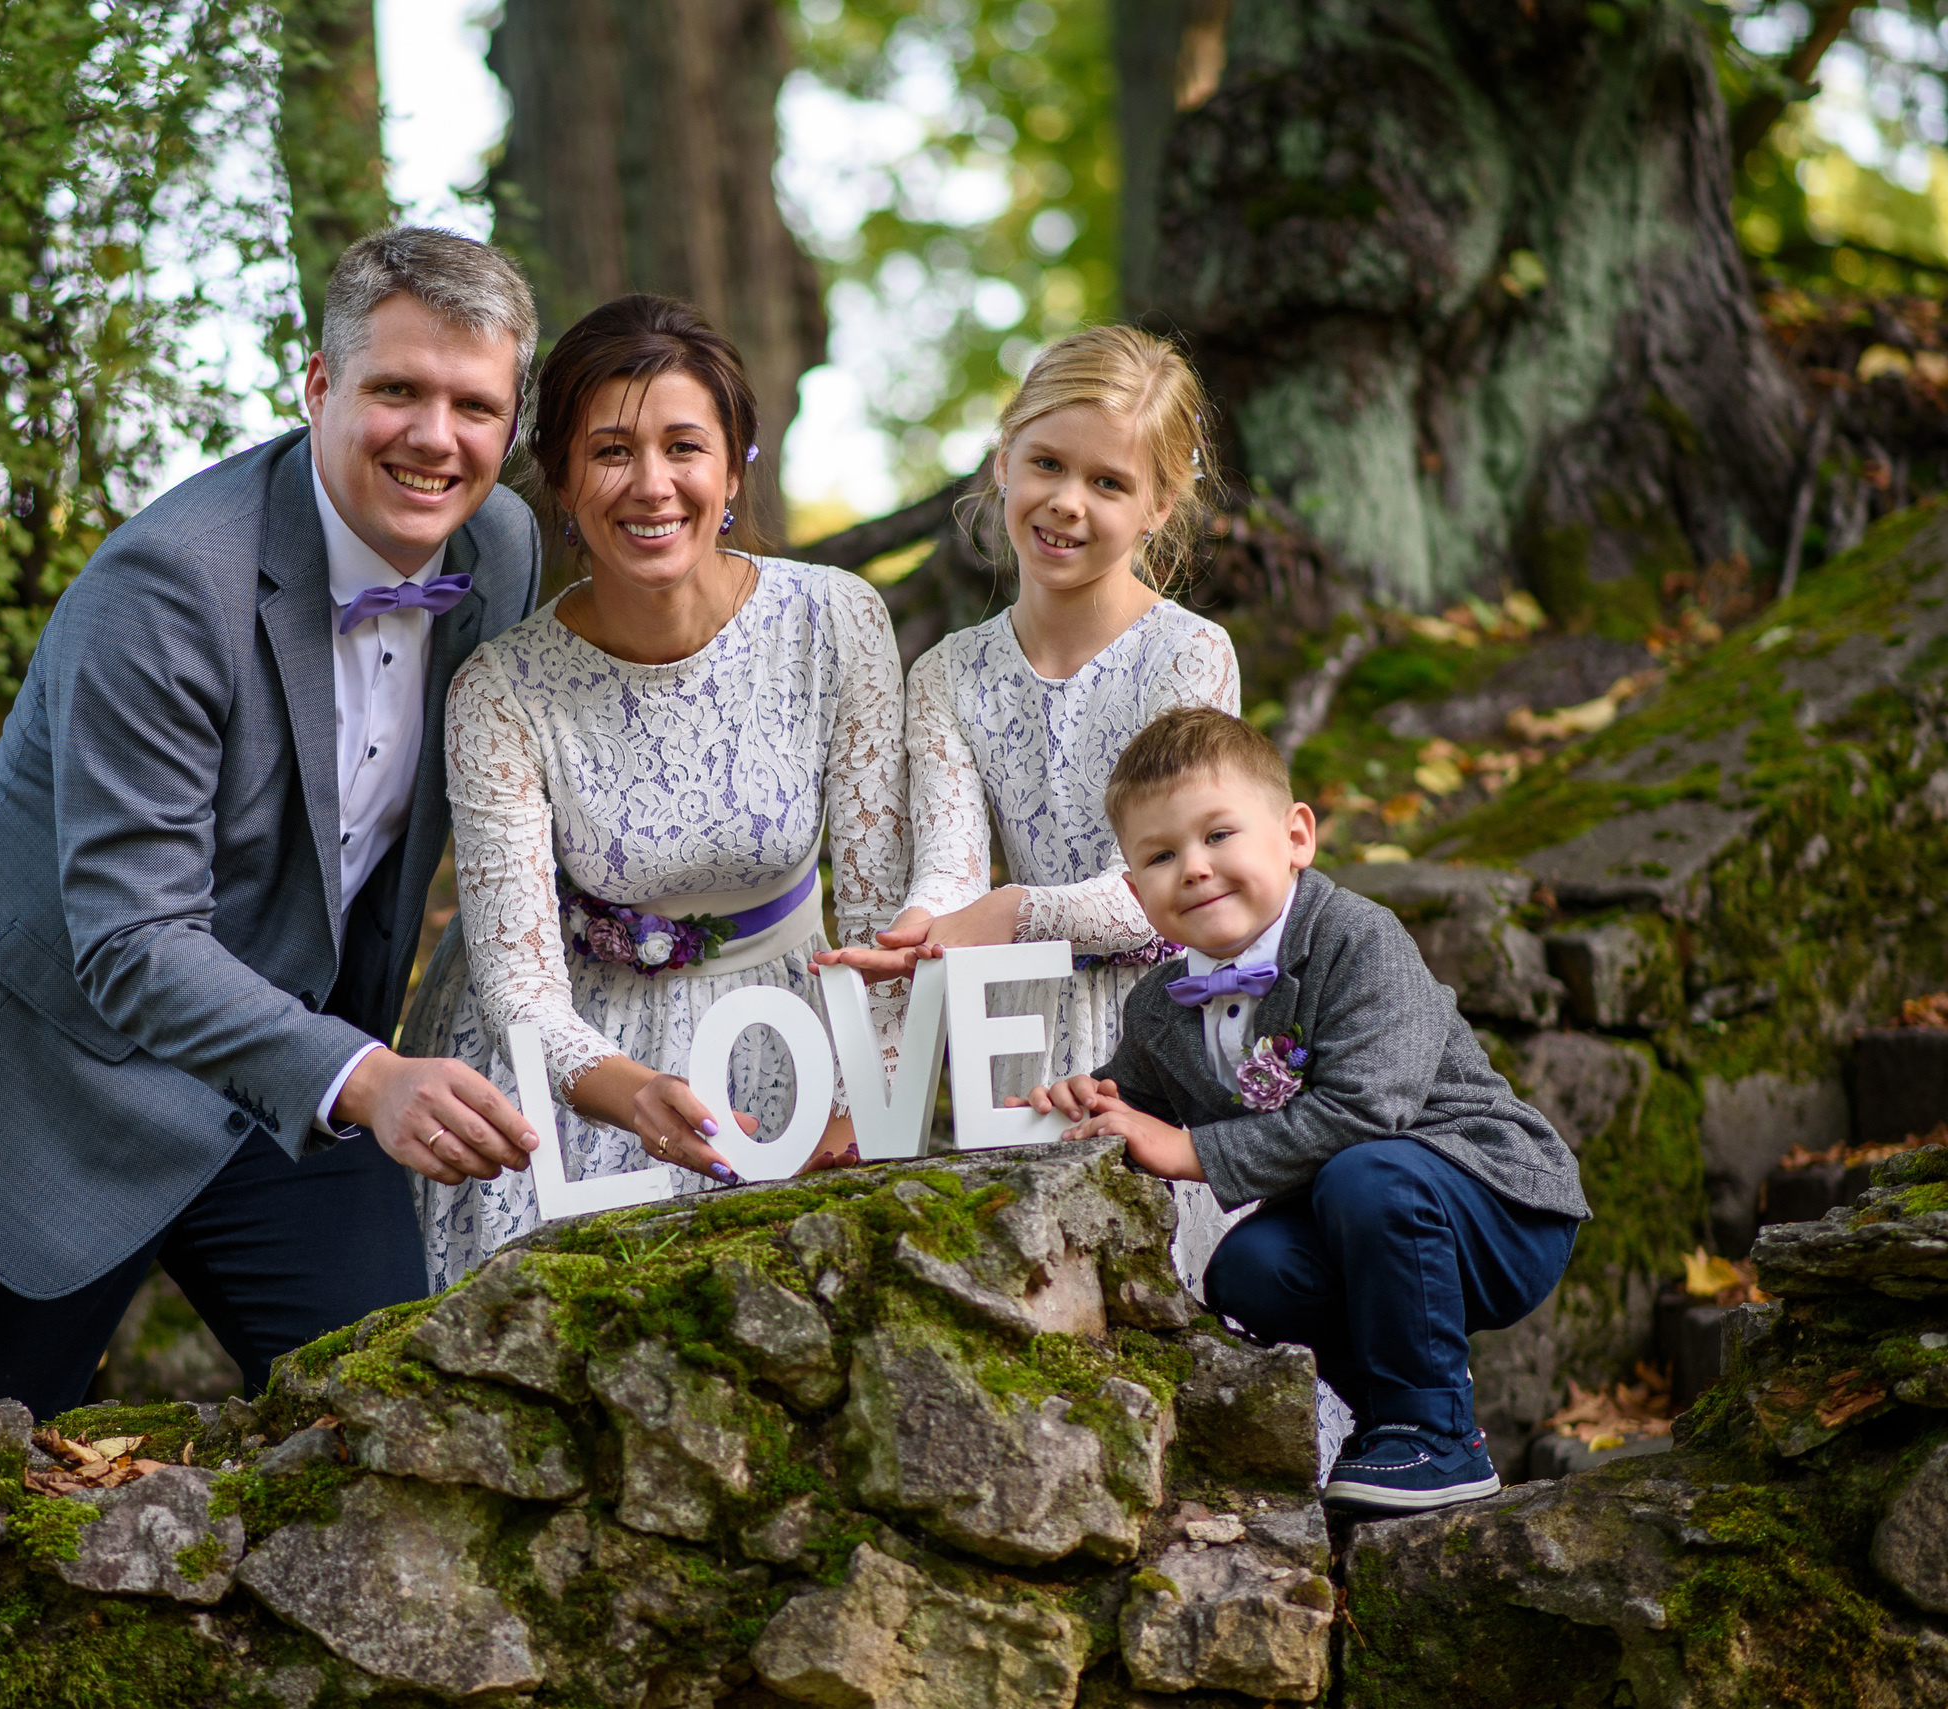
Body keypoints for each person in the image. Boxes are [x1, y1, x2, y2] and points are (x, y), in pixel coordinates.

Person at [0, 228, 548, 1415]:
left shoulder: (498, 547)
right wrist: (368, 1078)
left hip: (287, 1073)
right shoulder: (162, 587)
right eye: (396, 390)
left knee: (408, 1416)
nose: (436, 437)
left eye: (475, 405)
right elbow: (131, 937)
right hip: (44, 1083)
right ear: (318, 386)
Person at [399, 293, 909, 1290]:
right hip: (567, 1061)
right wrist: (624, 1093)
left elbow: (884, 905)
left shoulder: (836, 621)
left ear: (732, 466)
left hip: (786, 1025)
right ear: (560, 477)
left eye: (683, 445)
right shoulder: (499, 690)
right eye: (609, 451)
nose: (651, 485)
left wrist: (865, 1092)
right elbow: (522, 991)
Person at [1026, 707, 1589, 1514]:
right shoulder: (1159, 1006)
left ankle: (1436, 1430)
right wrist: (1092, 1099)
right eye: (1160, 854)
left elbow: (1368, 1114)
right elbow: (1136, 1102)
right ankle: (1396, 1422)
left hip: (1496, 1206)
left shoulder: (1358, 937)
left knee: (1368, 1174)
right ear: (1134, 890)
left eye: (1218, 834)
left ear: (1295, 836)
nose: (1193, 866)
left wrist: (1189, 1151)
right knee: (1248, 1268)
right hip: (1361, 1225)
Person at [815, 325, 1242, 1298]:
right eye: (1046, 463)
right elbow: (950, 874)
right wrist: (923, 930)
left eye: (1108, 482)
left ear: (1157, 507)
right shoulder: (949, 675)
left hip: (1162, 1033)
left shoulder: (1186, 656)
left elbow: (1177, 892)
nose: (1065, 501)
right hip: (1017, 1042)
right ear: (1001, 457)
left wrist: (1009, 914)